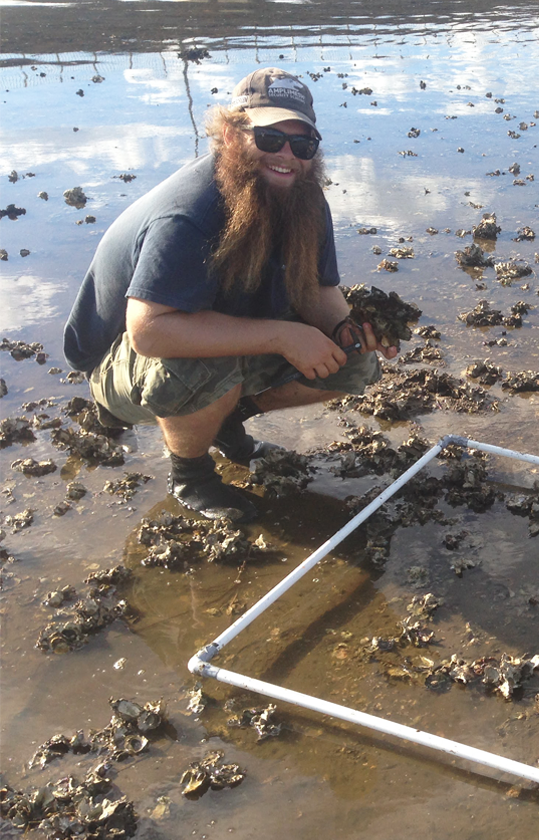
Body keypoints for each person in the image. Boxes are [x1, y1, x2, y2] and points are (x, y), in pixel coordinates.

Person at [64, 68, 397, 523]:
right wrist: (283, 337)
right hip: (120, 363)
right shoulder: (189, 213)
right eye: (270, 137)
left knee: (354, 359)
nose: (287, 156)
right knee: (205, 366)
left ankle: (223, 419)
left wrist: (346, 329)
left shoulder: (303, 197)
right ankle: (191, 474)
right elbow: (150, 332)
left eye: (302, 146)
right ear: (229, 132)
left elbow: (316, 289)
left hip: (210, 330)